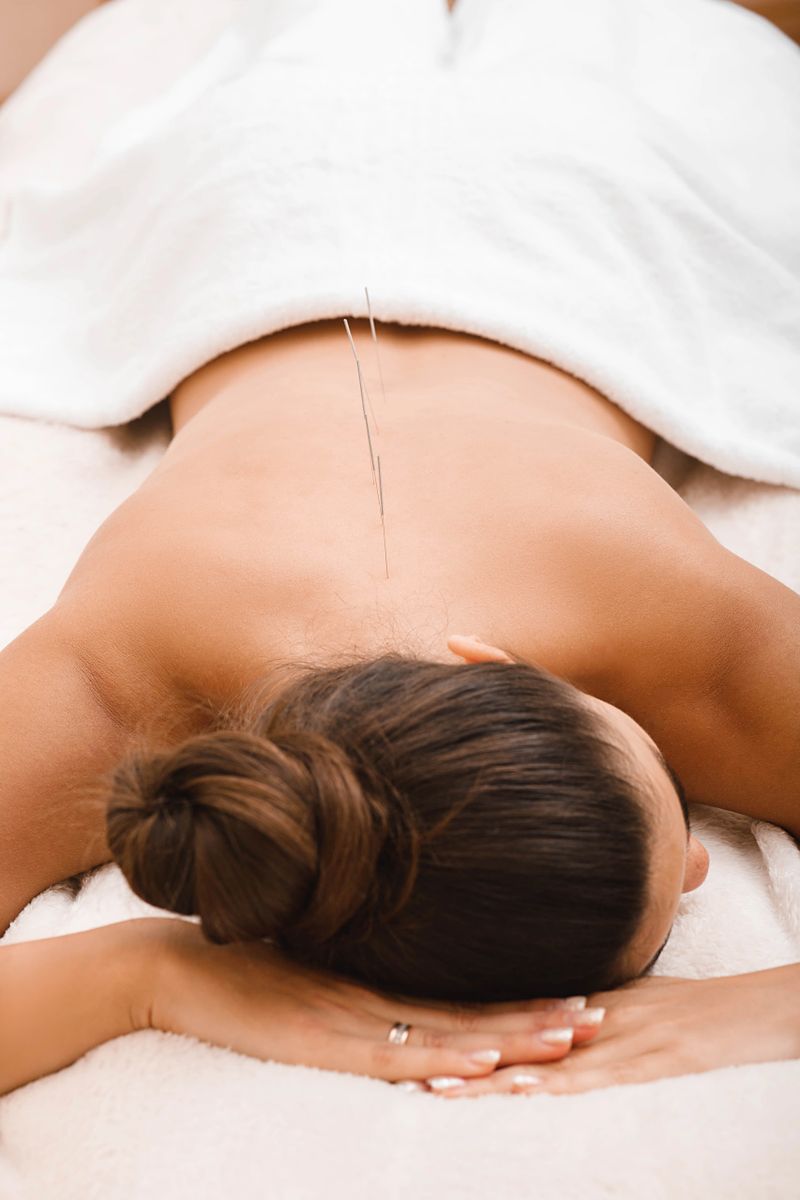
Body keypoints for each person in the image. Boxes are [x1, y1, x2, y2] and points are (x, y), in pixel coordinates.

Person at [0, 1, 799, 1100]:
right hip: (444, 194)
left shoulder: (676, 634)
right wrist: (138, 973)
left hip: (366, 194)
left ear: (489, 666)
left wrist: (146, 974)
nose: (704, 857)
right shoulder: (127, 672)